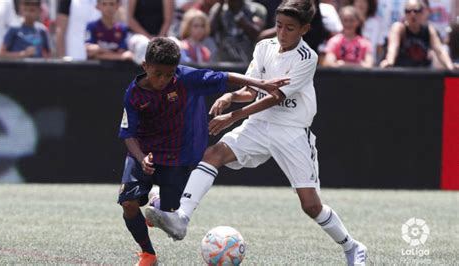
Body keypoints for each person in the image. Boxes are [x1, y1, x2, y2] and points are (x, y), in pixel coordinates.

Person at [145, 1, 367, 266]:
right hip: (258, 125)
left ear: (305, 29)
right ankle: (181, 218)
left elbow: (275, 96)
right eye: (279, 26)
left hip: (292, 132)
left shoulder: (308, 58)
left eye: (290, 28)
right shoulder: (264, 47)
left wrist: (234, 116)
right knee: (213, 154)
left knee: (311, 206)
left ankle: (352, 246)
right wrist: (230, 96)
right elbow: (253, 89)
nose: (282, 33)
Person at [117, 37, 289, 265]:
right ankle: (148, 253)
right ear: (145, 66)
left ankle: (158, 203)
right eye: (157, 73)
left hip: (175, 157)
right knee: (128, 204)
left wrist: (262, 84)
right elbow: (128, 135)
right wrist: (140, 158)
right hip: (143, 153)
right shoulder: (134, 93)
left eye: (168, 75)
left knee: (171, 217)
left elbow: (226, 77)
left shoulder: (185, 78)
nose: (162, 80)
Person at [379, 0, 455, 70]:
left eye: (416, 11)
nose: (412, 14)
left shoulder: (428, 30)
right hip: (400, 74)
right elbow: (393, 47)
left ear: (423, 12)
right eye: (408, 11)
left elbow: (439, 51)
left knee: (452, 82)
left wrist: (450, 66)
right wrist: (389, 61)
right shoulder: (399, 28)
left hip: (420, 76)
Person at [349, 0, 385, 64]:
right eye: (358, 1)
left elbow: (379, 48)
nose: (361, 4)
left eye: (364, 1)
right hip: (348, 63)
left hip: (369, 66)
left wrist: (376, 64)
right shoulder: (345, 20)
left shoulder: (376, 22)